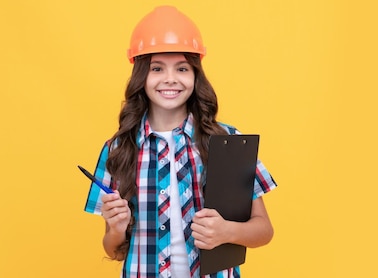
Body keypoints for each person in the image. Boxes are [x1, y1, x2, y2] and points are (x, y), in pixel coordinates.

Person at [83, 5, 277, 278]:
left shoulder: (227, 142)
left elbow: (264, 231)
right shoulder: (118, 149)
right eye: (157, 68)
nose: (170, 79)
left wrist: (227, 231)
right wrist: (116, 228)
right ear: (141, 76)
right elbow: (113, 250)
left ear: (196, 75)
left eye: (182, 68)